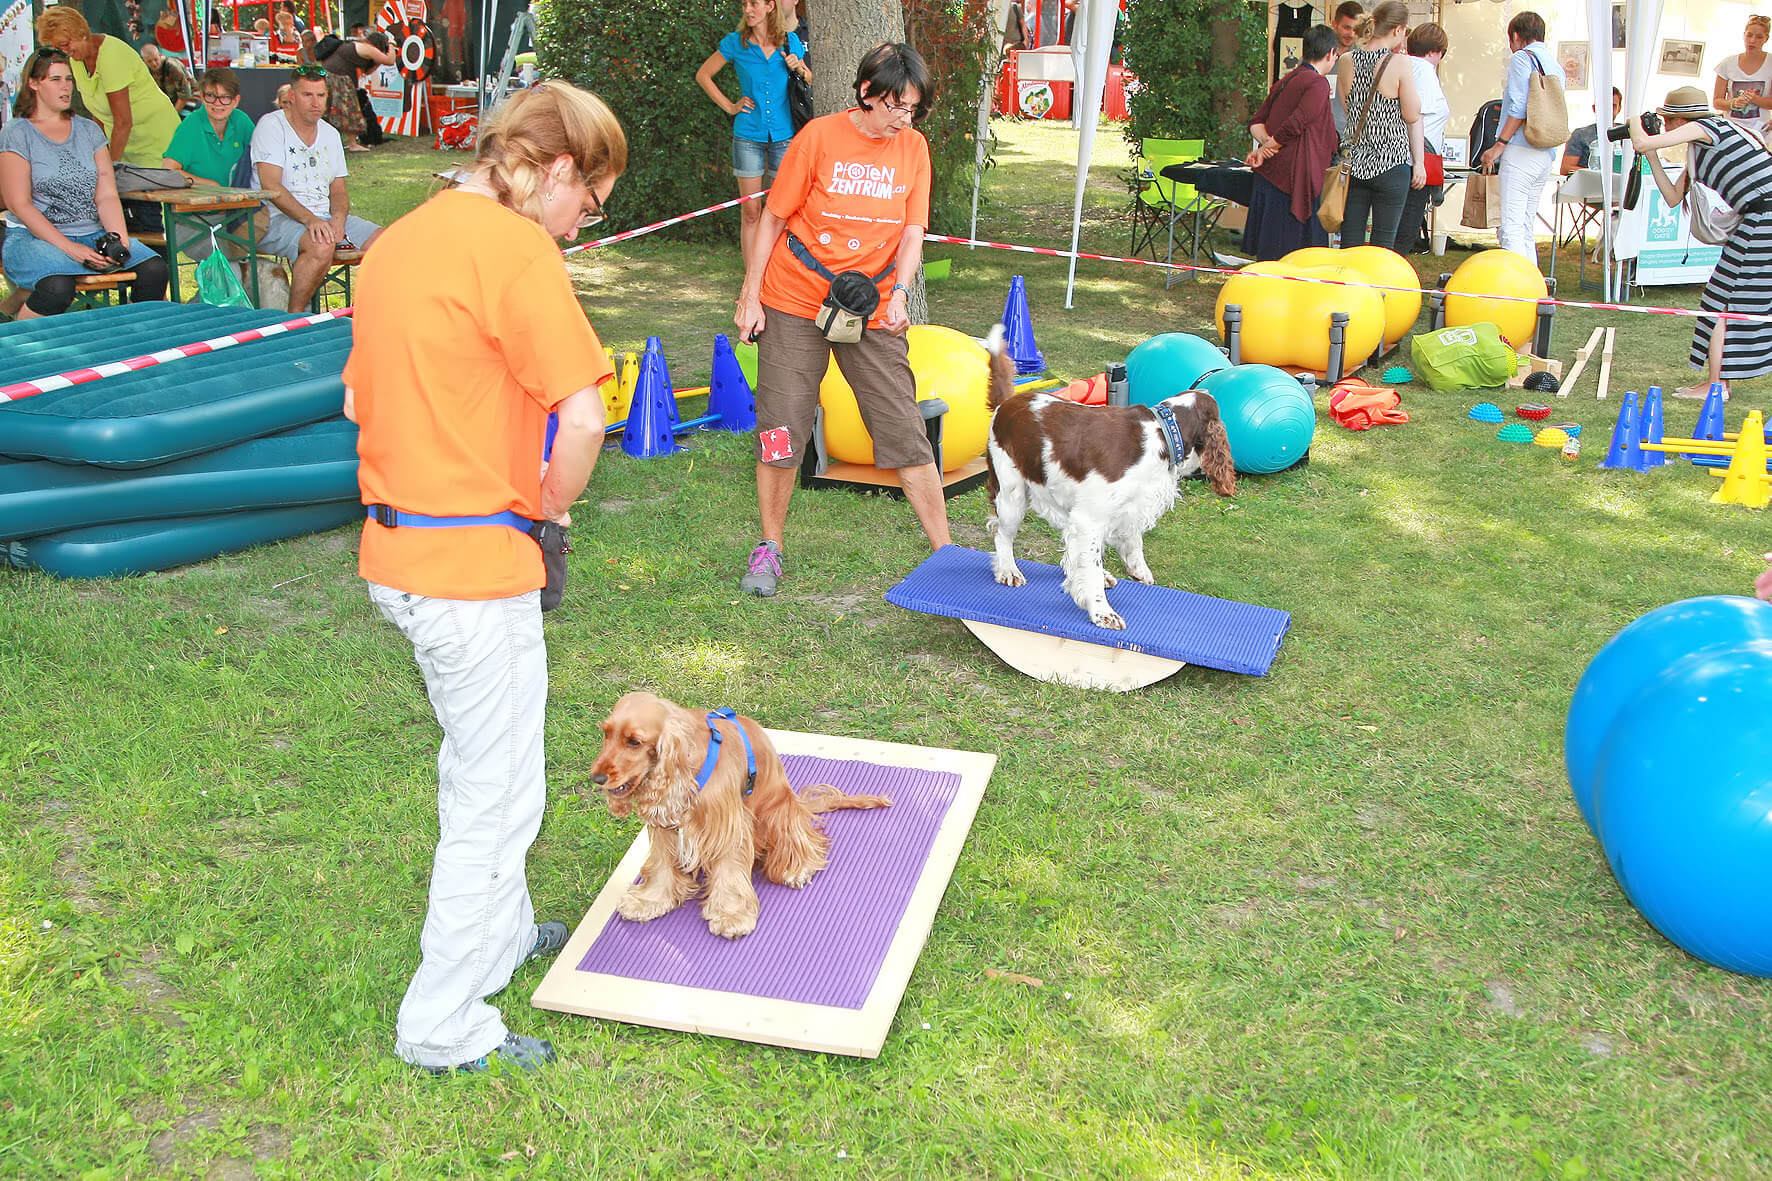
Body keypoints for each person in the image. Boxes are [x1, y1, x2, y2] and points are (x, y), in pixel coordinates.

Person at [342, 80, 622, 1076]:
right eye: (588, 200)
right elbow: (584, 416)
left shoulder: (396, 242)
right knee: (495, 799)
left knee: (487, 765)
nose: (582, 221)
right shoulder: (515, 249)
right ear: (556, 169)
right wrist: (548, 506)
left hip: (400, 553)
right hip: (471, 563)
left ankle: (498, 936)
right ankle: (444, 1022)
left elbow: (358, 401)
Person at [732, 43, 949, 597]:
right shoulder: (818, 138)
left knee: (903, 423)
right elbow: (772, 218)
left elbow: (912, 232)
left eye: (913, 109)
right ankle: (770, 546)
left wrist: (900, 294)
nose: (904, 119)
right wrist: (750, 296)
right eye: (896, 106)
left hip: (869, 304)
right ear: (866, 92)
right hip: (794, 296)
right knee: (781, 426)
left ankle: (945, 556)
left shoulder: (914, 148)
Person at [0, 49, 167, 318]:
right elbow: (18, 204)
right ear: (34, 83)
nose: (65, 86)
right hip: (33, 239)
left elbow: (106, 196)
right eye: (55, 79)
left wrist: (119, 242)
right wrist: (71, 249)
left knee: (155, 269)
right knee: (58, 285)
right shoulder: (17, 132)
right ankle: (17, 334)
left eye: (69, 79)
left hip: (92, 234)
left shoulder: (89, 130)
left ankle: (134, 335)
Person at [1631, 87, 1772, 401]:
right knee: (1725, 300)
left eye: (1668, 120)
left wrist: (1632, 121)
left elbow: (1641, 141)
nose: (1665, 126)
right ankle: (1718, 382)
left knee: (1720, 301)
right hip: (1759, 218)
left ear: (1682, 120)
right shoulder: (1703, 147)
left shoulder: (1706, 127)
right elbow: (1672, 197)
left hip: (1764, 217)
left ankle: (1716, 385)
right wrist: (1651, 155)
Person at [251, 65, 383, 311]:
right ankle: (294, 319)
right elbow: (270, 186)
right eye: (307, 95)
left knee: (387, 242)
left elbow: (339, 190)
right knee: (321, 245)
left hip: (323, 217)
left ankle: (359, 315)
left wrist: (338, 219)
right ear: (292, 96)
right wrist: (311, 220)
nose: (315, 103)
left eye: (321, 95)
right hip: (275, 217)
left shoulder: (330, 134)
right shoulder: (271, 126)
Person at [695, 0, 811, 271]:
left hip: (784, 137)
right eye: (745, 4)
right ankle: (751, 279)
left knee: (780, 211)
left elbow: (810, 79)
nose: (748, 9)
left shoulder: (789, 41)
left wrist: (798, 67)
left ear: (770, 6)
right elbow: (703, 75)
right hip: (748, 136)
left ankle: (775, 275)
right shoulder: (736, 43)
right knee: (751, 212)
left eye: (754, 4)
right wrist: (730, 106)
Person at [35, 7, 180, 168]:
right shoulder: (77, 60)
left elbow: (123, 122)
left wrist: (108, 169)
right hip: (126, 145)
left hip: (157, 138)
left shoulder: (111, 55)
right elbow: (98, 115)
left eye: (65, 44)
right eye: (59, 47)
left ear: (81, 33)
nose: (65, 51)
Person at [1243, 24, 1339, 260]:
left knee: (1271, 251)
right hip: (1294, 177)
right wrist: (1268, 148)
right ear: (1330, 54)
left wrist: (1266, 145)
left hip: (1274, 173)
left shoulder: (1287, 80)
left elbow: (1256, 122)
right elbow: (1299, 121)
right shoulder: (1317, 83)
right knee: (1294, 254)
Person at [1334, 0, 1421, 250]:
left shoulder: (1347, 60)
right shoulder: (1399, 63)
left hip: (1355, 162)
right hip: (1391, 162)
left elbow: (1347, 106)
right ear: (1398, 30)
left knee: (1350, 243)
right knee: (1383, 245)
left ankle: (1348, 276)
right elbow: (1412, 114)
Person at [1478, 11, 1564, 264]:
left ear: (1515, 36)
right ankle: (1531, 282)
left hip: (1521, 148)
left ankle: (1516, 284)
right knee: (1525, 225)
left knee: (1510, 227)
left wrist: (1499, 145)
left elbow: (1518, 106)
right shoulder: (1554, 64)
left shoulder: (1521, 59)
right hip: (1545, 151)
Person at [1395, 22, 1449, 254]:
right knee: (1406, 228)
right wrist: (1419, 163)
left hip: (1404, 157)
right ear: (1435, 51)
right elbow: (1416, 117)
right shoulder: (1424, 71)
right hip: (1417, 158)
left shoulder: (1404, 66)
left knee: (1396, 225)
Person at [162, 67, 253, 186]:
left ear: (236, 101)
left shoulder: (241, 120)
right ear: (202, 97)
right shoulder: (192, 124)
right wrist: (211, 185)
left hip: (237, 196)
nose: (217, 103)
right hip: (200, 197)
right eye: (210, 96)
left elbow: (261, 158)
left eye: (225, 97)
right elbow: (168, 171)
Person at [320, 29, 394, 152]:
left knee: (329, 110)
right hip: (338, 77)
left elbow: (367, 71)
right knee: (350, 110)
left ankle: (329, 142)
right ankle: (352, 144)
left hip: (329, 75)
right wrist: (392, 44)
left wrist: (378, 61)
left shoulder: (359, 47)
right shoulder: (369, 49)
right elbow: (390, 60)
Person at [1715, 14, 1772, 134]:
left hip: (1761, 131)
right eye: (1749, 35)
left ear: (1766, 39)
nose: (1752, 41)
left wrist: (1755, 99)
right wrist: (1733, 103)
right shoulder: (1727, 63)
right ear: (1744, 35)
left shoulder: (1770, 63)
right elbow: (1717, 102)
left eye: (1759, 37)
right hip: (1731, 130)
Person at [1562, 87, 1623, 176]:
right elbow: (1566, 168)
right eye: (1604, 106)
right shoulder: (1580, 135)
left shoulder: (1628, 133)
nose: (1608, 110)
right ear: (1594, 108)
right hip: (1589, 182)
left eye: (1613, 106)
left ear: (1619, 109)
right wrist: (1597, 173)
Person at [1329, 0, 1363, 136]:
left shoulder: (1363, 58)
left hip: (1351, 133)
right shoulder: (1319, 53)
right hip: (1320, 133)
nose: (1351, 34)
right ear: (1334, 24)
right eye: (1346, 27)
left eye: (1355, 29)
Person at [139, 43, 194, 111]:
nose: (154, 63)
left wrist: (173, 114)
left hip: (191, 99)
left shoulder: (172, 66)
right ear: (143, 61)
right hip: (171, 102)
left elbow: (185, 95)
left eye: (156, 59)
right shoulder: (144, 70)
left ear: (160, 56)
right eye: (149, 61)